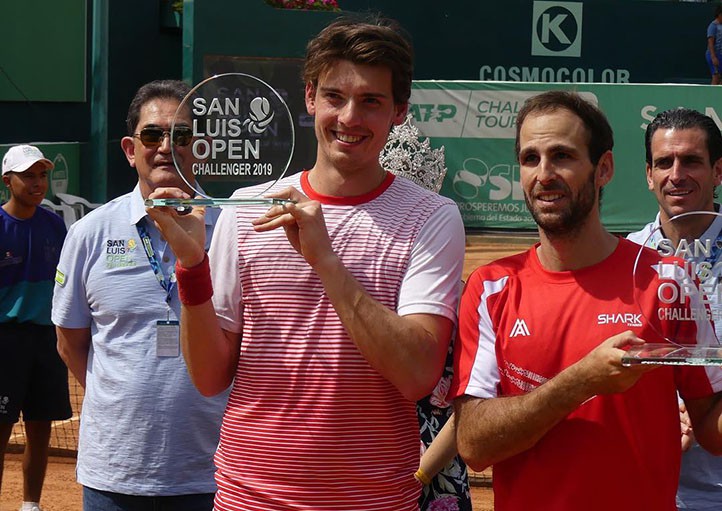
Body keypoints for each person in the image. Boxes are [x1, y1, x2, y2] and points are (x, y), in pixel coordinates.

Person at [147, 15, 466, 511]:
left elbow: (416, 374)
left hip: (375, 500)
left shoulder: (433, 218)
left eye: (372, 102)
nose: (349, 117)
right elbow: (209, 378)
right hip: (249, 499)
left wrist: (325, 260)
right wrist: (192, 267)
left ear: (399, 112)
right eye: (335, 97)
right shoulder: (247, 208)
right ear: (310, 97)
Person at [449, 90, 722, 511]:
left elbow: (709, 424)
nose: (544, 174)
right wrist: (581, 381)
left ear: (604, 169)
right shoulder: (491, 288)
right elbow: (473, 443)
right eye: (529, 158)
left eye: (562, 156)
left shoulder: (669, 280)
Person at [52, 80, 228, 511]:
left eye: (182, 135)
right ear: (131, 149)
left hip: (215, 472)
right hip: (114, 474)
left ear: (198, 148)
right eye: (153, 135)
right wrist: (122, 401)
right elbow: (70, 342)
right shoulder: (89, 233)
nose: (167, 146)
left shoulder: (232, 231)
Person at [627, 107, 722, 510]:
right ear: (649, 175)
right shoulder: (622, 260)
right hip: (650, 489)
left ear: (718, 171)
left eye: (692, 161)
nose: (676, 174)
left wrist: (705, 411)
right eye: (664, 162)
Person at [0, 145, 71, 511]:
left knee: (41, 428)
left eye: (41, 175)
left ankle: (31, 505)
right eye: (28, 175)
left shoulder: (55, 225)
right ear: (7, 181)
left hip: (47, 340)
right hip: (5, 341)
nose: (37, 182)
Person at [706, 5, 722, 85]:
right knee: (716, 76)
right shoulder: (713, 26)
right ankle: (711, 96)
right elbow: (710, 42)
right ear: (719, 14)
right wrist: (713, 57)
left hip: (721, 55)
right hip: (714, 55)